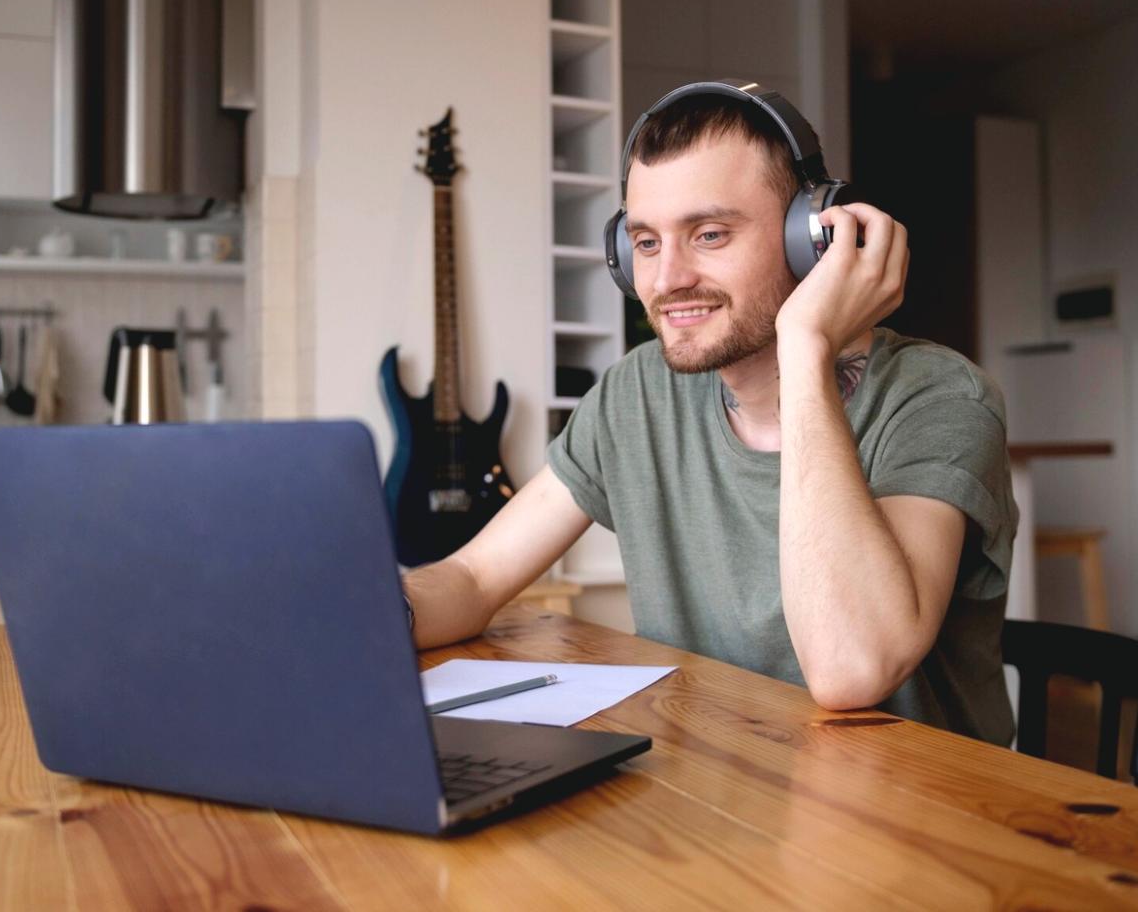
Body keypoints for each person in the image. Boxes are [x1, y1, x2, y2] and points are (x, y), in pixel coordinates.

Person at [404, 82, 1018, 744]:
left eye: (709, 234)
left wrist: (806, 346)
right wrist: (340, 613)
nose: (667, 278)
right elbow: (473, 576)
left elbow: (851, 669)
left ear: (809, 239)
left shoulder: (938, 398)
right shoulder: (634, 395)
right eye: (643, 242)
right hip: (708, 788)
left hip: (910, 818)